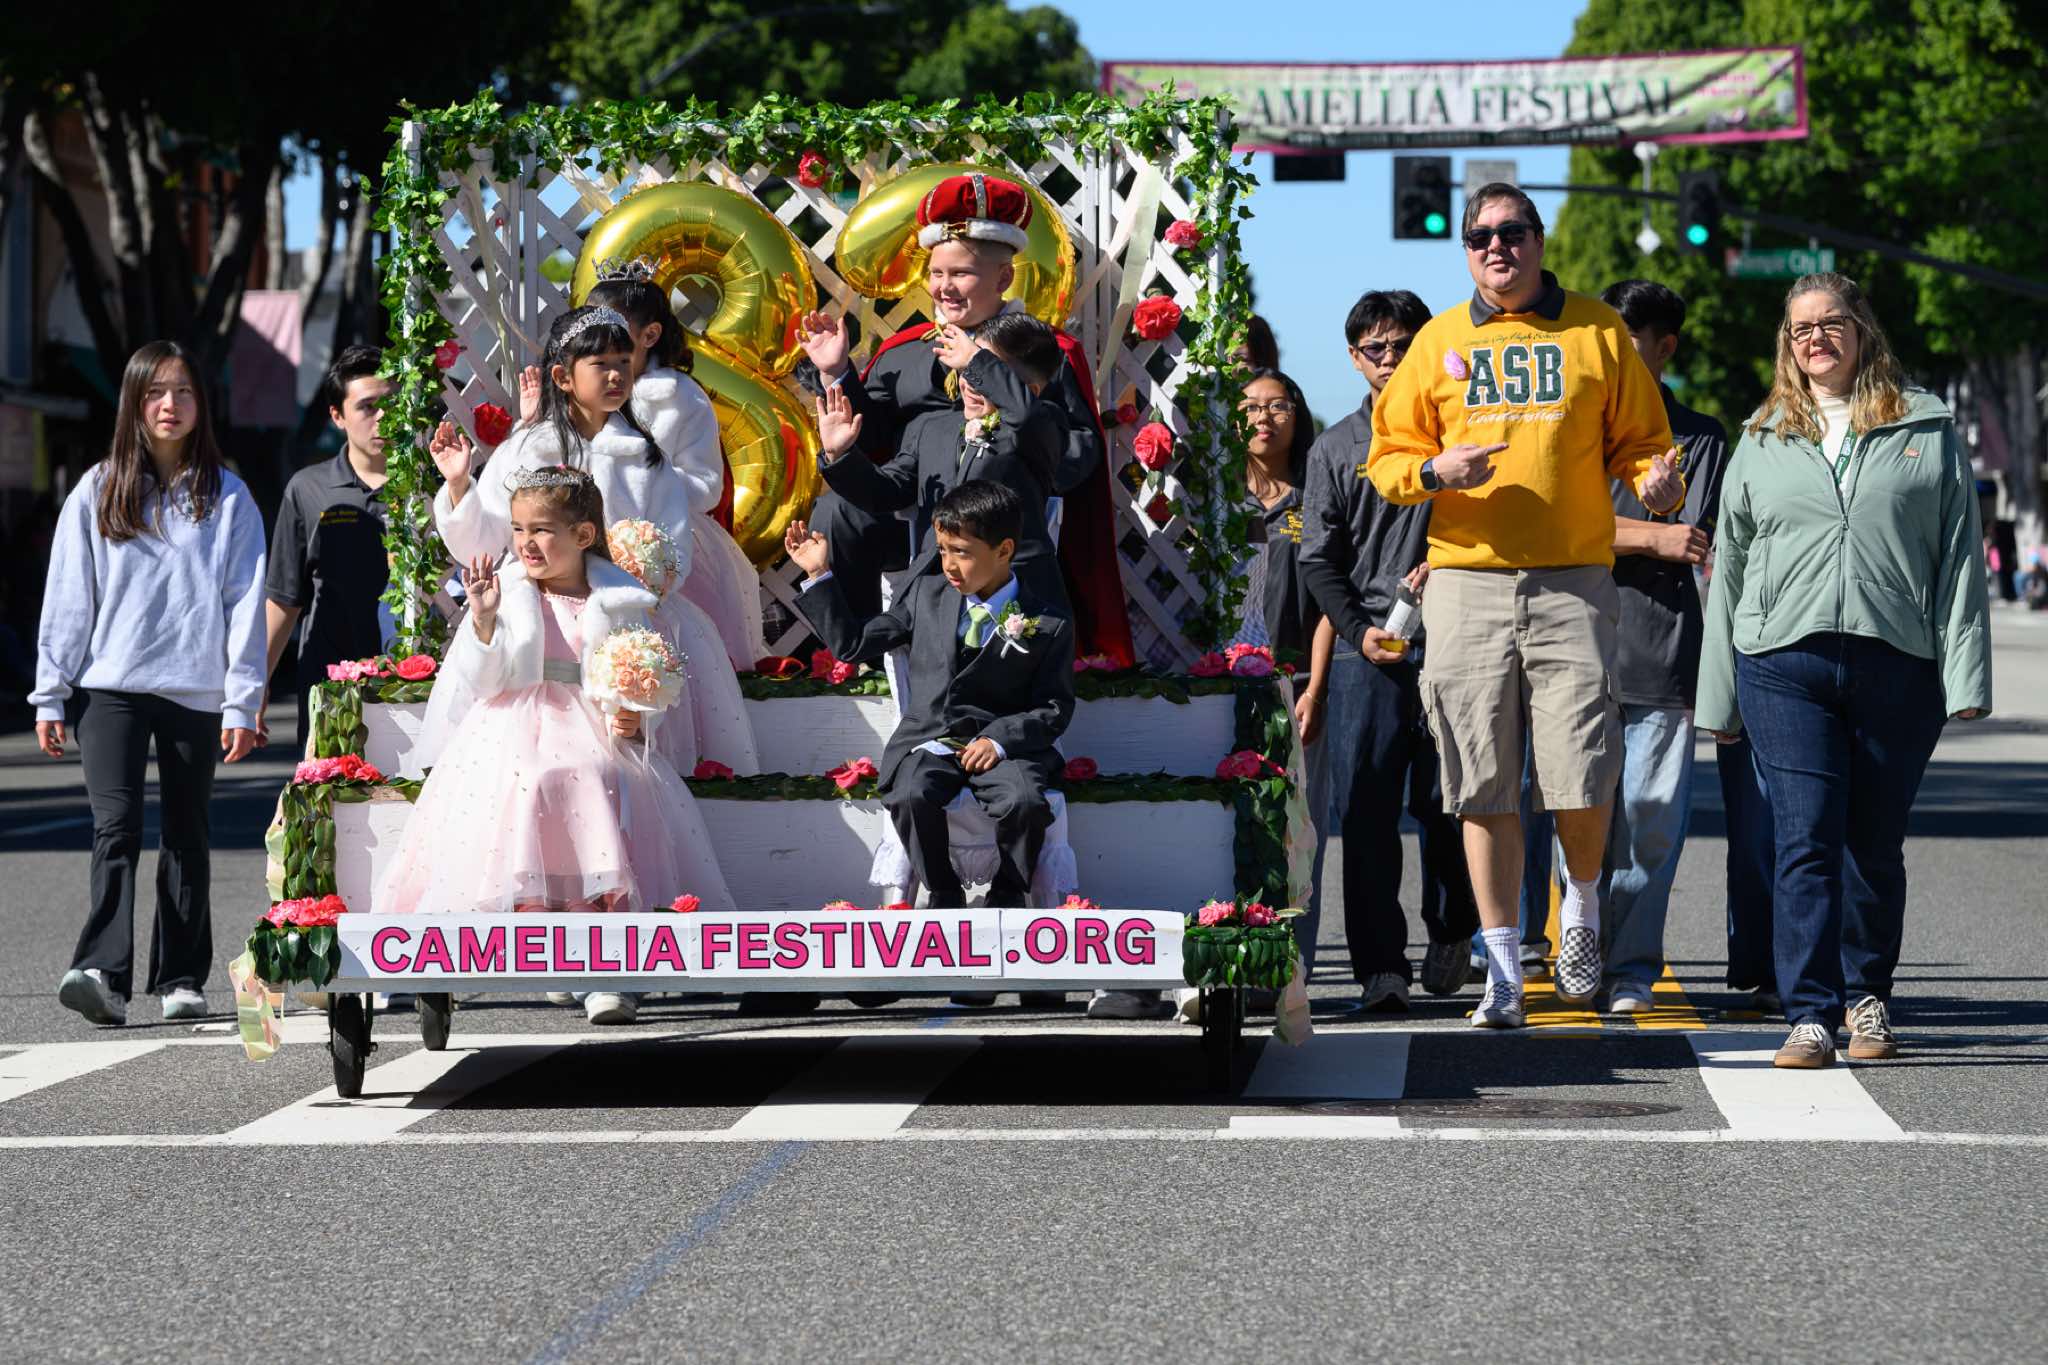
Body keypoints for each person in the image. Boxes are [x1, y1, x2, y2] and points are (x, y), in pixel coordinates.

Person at [1368, 183, 1685, 1030]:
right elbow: (1389, 459)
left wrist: (1657, 482)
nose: (1496, 247)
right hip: (1465, 582)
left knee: (1581, 766)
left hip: (1572, 580)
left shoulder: (1596, 331)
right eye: (1480, 237)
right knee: (1480, 779)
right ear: (1466, 251)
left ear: (1539, 241)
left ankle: (1580, 901)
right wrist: (1435, 471)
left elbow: (1646, 445)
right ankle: (1503, 968)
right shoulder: (1438, 341)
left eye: (1511, 232)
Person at [1697, 271, 1991, 1069]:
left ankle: (1869, 997)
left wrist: (1967, 677)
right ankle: (1810, 1014)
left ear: (1862, 329)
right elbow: (1732, 569)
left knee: (1874, 843)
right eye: (1801, 328)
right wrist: (1718, 696)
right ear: (1787, 344)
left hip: (1897, 661)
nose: (1816, 338)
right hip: (1781, 664)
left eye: (1831, 322)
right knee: (1804, 837)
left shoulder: (1925, 426)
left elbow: (1960, 556)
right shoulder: (1761, 436)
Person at [384, 466, 731, 1026]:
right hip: (517, 720)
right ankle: (548, 934)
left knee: (599, 774)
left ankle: (606, 968)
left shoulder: (618, 599)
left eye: (542, 530)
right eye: (519, 530)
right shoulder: (510, 592)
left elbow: (648, 673)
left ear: (583, 535)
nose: (527, 543)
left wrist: (637, 713)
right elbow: (485, 682)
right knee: (532, 777)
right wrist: (483, 621)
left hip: (593, 719)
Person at [794, 171, 1134, 667]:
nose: (944, 288)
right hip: (915, 512)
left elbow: (1074, 454)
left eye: (961, 274)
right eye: (936, 273)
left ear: (1003, 279)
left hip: (1003, 532)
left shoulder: (1042, 351)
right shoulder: (903, 351)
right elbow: (879, 440)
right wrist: (838, 372)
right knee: (836, 510)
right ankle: (860, 653)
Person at [32, 340, 266, 1026]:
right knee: (116, 827)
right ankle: (102, 974)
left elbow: (246, 603)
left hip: (195, 691)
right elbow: (69, 595)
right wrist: (51, 690)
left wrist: (242, 700)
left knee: (187, 832)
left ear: (201, 404)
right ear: (134, 403)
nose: (170, 405)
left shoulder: (228, 496)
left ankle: (182, 976)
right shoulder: (98, 489)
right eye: (156, 392)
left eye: (183, 391)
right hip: (110, 689)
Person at [430, 304, 759, 776]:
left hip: (622, 617)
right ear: (563, 377)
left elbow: (673, 542)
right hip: (537, 618)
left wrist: (646, 573)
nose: (616, 375)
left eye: (624, 362)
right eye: (601, 364)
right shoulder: (526, 450)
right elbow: (481, 544)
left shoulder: (646, 459)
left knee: (626, 755)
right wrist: (460, 486)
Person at [1300, 290, 1480, 1012]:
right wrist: (1356, 630)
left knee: (1451, 802)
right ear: (1354, 358)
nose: (1389, 358)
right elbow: (1318, 560)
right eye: (1374, 347)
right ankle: (1381, 968)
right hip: (1367, 649)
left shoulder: (1461, 428)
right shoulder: (1335, 447)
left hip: (1458, 643)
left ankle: (1454, 927)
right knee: (1367, 816)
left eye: (1403, 344)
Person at [785, 479, 1074, 915]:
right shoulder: (925, 595)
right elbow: (854, 644)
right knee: (911, 792)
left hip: (1003, 749)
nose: (949, 565)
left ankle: (1009, 892)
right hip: (932, 738)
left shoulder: (1048, 621)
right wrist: (818, 575)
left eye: (962, 552)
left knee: (1025, 801)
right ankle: (942, 892)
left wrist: (999, 741)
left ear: (1003, 550)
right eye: (942, 550)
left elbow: (1054, 707)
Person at [1595, 279, 1733, 1012]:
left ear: (1665, 347)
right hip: (1574, 648)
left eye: (1626, 342)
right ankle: (1580, 949)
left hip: (1662, 649)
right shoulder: (1571, 425)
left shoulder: (1701, 436)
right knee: (1579, 818)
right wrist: (1649, 536)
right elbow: (1554, 528)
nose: (1610, 356)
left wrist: (1610, 533)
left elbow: (1694, 536)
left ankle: (1631, 969)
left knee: (1649, 823)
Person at [815, 310, 1067, 614]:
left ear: (1029, 391)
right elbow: (884, 491)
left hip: (1010, 592)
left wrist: (974, 359)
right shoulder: (933, 428)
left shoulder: (1040, 427)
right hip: (935, 592)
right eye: (965, 371)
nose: (969, 383)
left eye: (981, 373)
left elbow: (1025, 416)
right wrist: (840, 455)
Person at [584, 266, 769, 670]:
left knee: (670, 657)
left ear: (649, 335)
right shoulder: (580, 388)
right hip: (585, 534)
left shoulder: (682, 397)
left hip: (665, 540)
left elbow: (706, 486)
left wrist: (645, 477)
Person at [263, 345, 394, 751]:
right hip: (330, 682)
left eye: (390, 403)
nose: (382, 417)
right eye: (367, 407)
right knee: (330, 786)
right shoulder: (308, 488)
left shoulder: (432, 485)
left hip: (414, 678)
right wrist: (255, 684)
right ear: (337, 416)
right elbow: (285, 597)